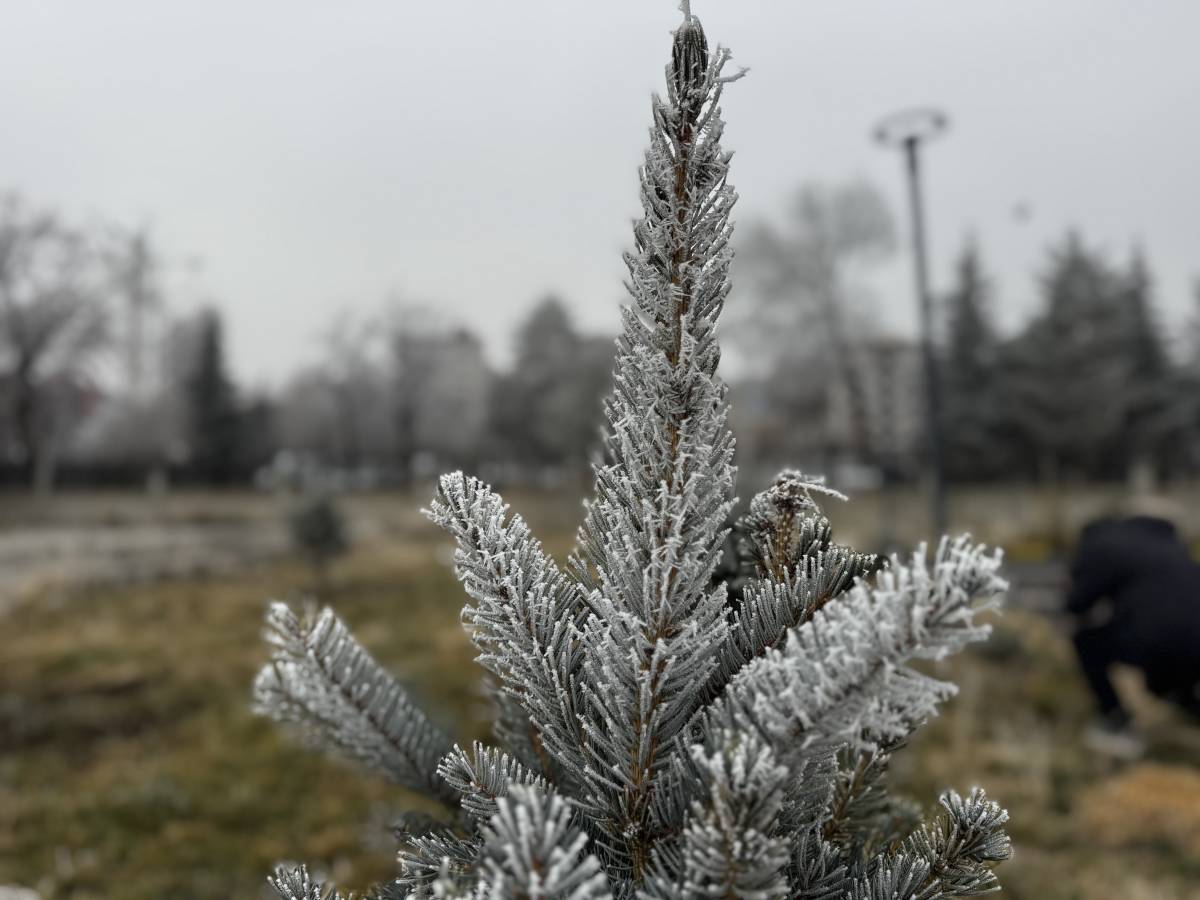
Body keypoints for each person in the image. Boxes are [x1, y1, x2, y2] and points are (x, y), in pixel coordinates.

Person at [1066, 507, 1200, 758]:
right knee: (1165, 682)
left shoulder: (1103, 544)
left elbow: (1076, 604)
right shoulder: (1172, 545)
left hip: (1157, 640)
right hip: (1193, 642)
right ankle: (1190, 717)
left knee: (1085, 640)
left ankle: (1115, 720)